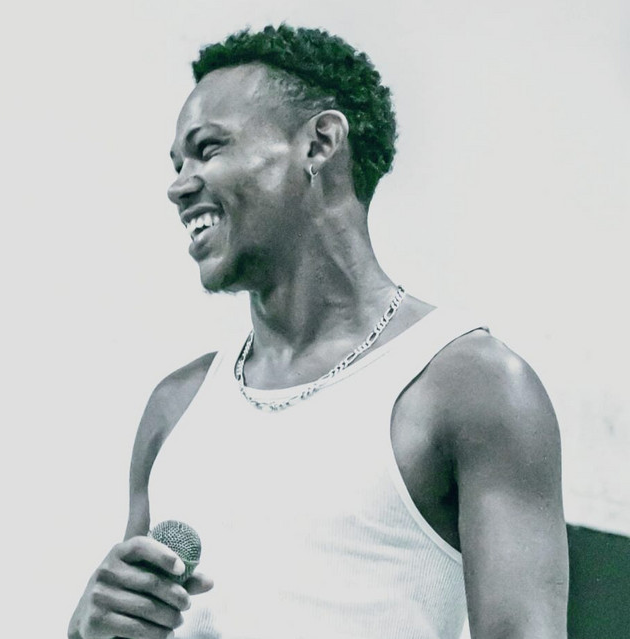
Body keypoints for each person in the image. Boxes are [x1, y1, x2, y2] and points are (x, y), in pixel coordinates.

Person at [68, 24, 568, 639]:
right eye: (177, 164)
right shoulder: (175, 406)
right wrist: (87, 629)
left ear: (320, 142)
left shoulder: (469, 385)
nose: (178, 185)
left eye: (208, 149)